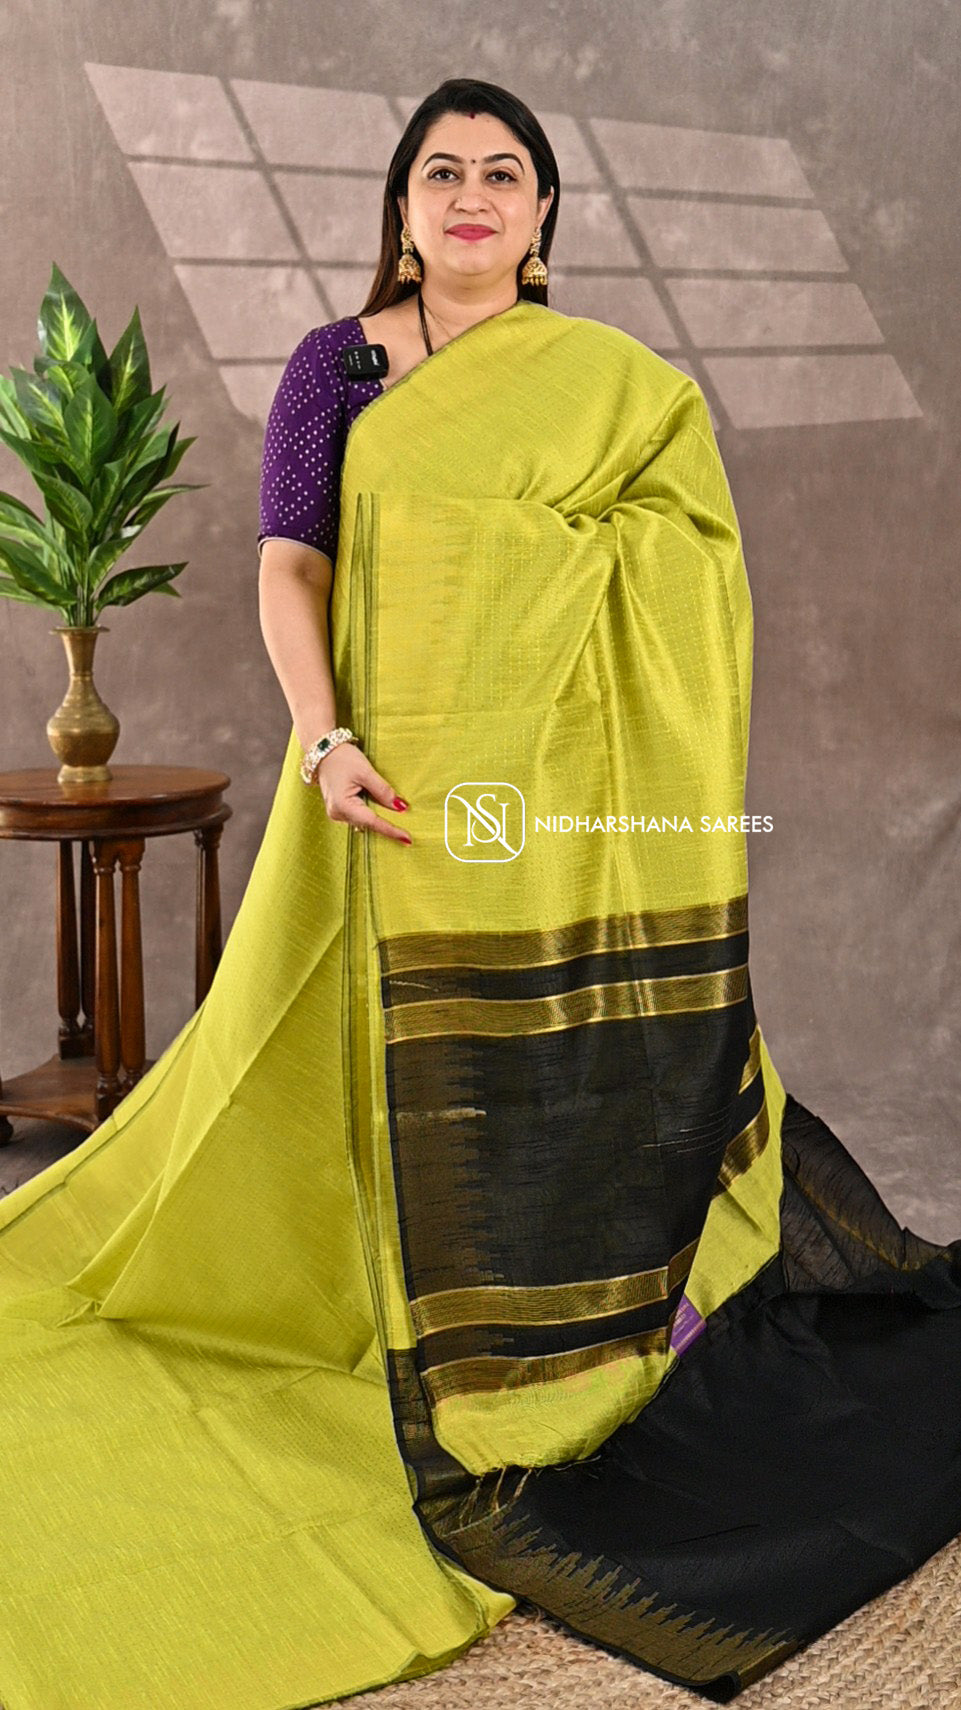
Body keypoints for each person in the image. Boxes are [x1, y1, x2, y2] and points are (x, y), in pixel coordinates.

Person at [0, 76, 959, 1710]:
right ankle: (382, 1312)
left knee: (549, 1062)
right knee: (349, 1073)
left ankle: (586, 1316)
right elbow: (290, 562)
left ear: (539, 217)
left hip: (555, 812)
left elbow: (688, 559)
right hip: (376, 794)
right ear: (400, 206)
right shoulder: (341, 367)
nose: (468, 193)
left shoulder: (604, 385)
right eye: (439, 170)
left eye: (500, 173)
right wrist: (323, 737)